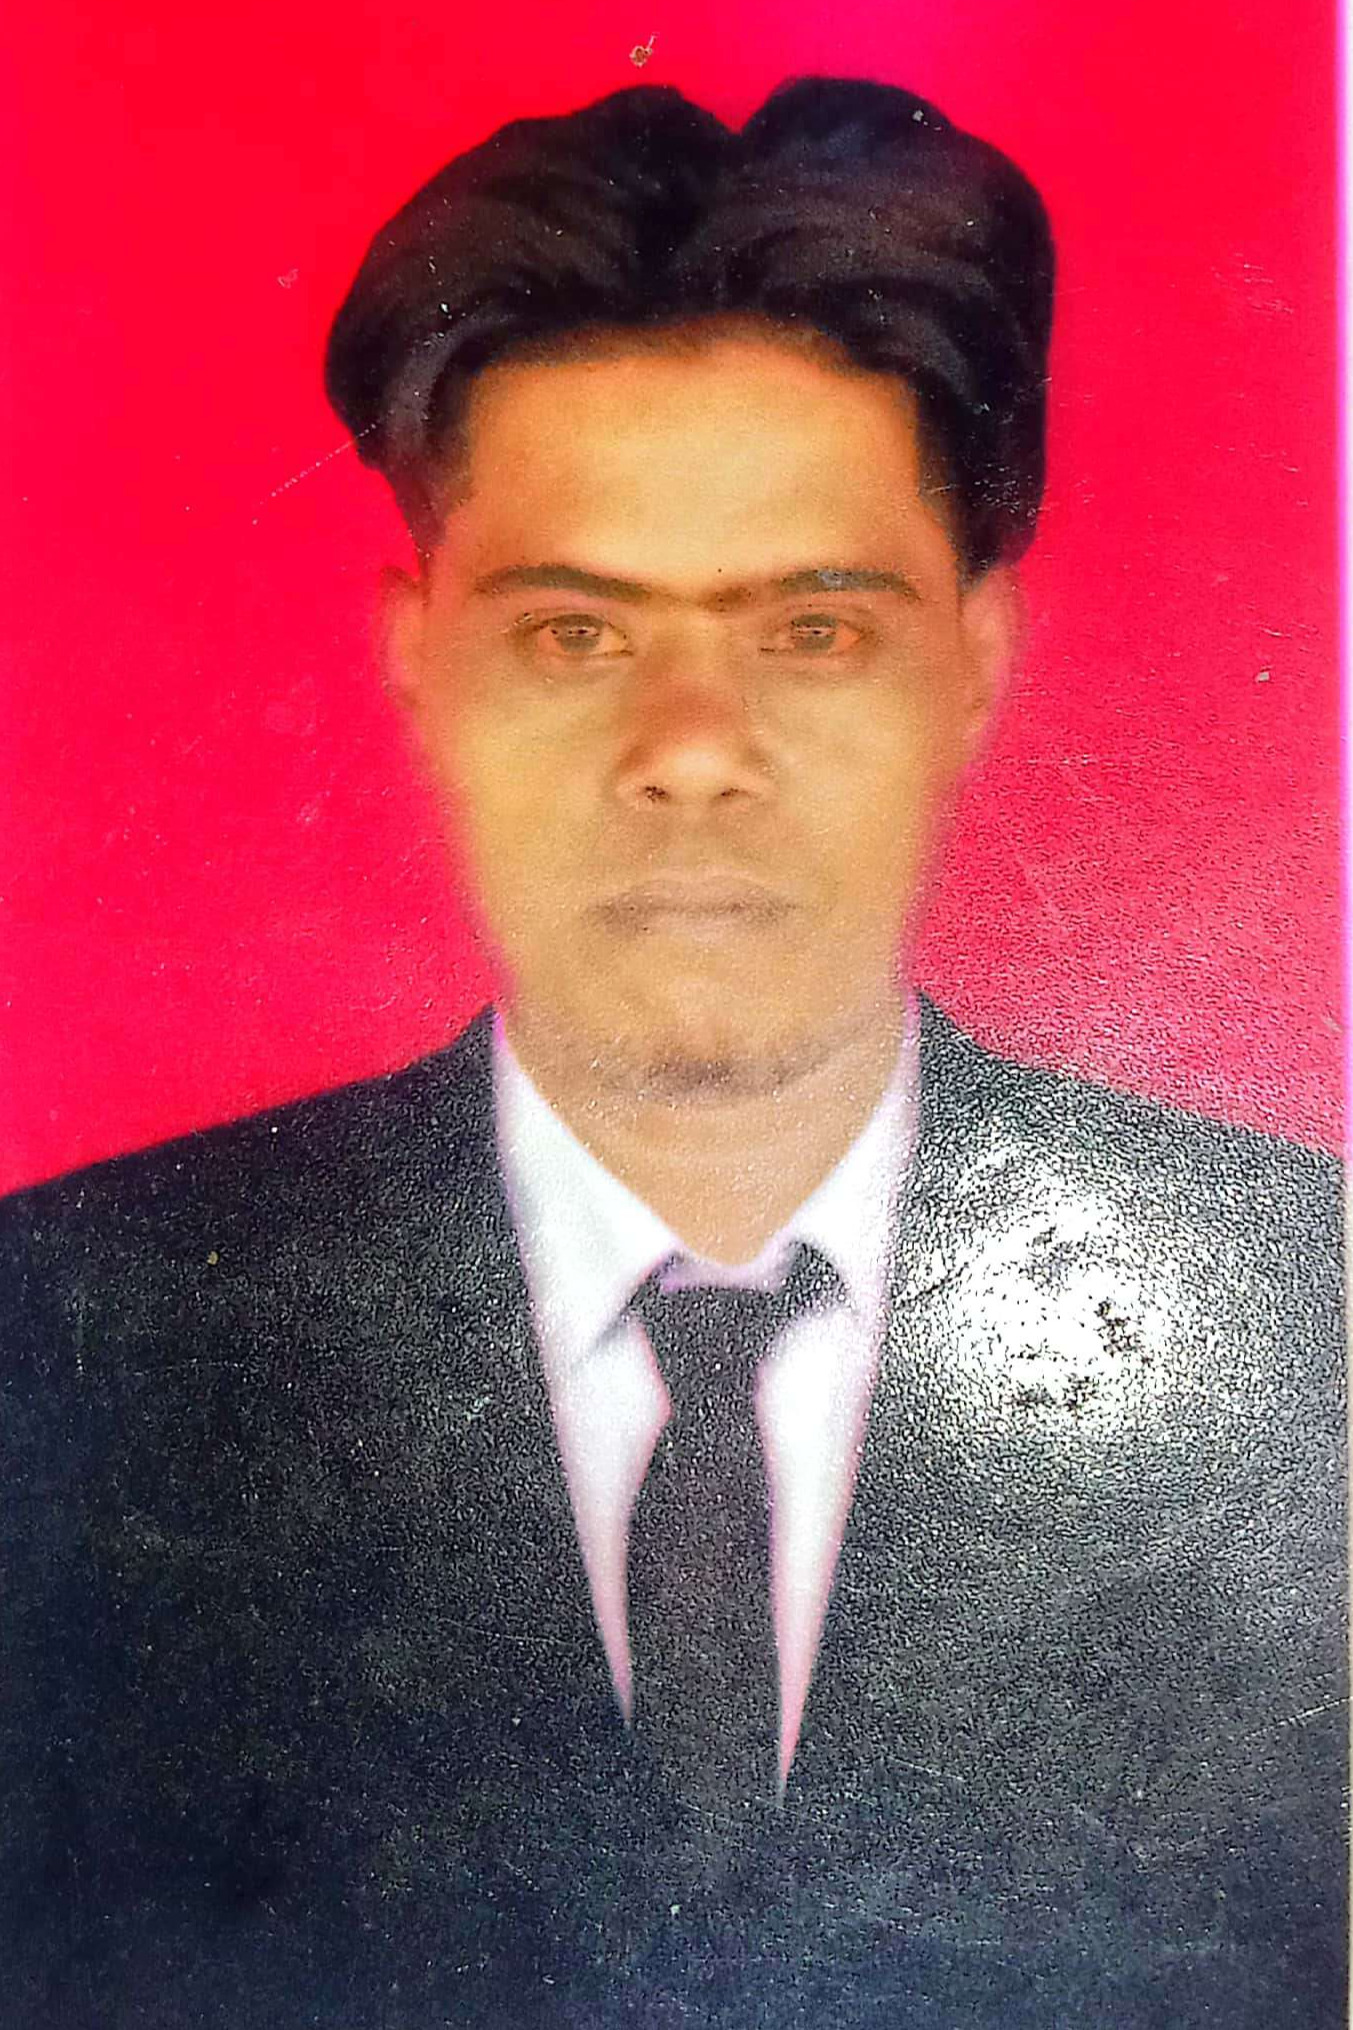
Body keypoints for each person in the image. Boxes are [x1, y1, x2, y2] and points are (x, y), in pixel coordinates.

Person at [0, 77, 1343, 2030]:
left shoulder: (1317, 1319)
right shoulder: (56, 1346)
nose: (692, 747)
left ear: (973, 664)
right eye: (575, 633)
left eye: (811, 631)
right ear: (416, 658)